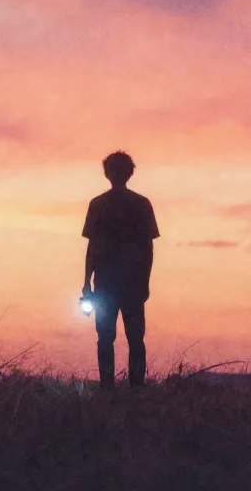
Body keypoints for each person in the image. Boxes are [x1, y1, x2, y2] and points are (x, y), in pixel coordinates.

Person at [81, 150, 160, 388]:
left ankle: (110, 388)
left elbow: (93, 247)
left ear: (108, 173)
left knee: (108, 338)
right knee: (133, 339)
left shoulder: (99, 204)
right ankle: (134, 390)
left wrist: (87, 282)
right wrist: (144, 281)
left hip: (109, 284)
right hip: (128, 284)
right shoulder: (140, 204)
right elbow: (147, 249)